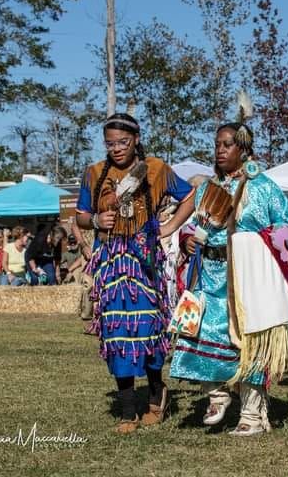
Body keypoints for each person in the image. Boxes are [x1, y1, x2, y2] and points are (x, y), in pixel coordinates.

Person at [170, 110, 288, 437]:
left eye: (227, 145)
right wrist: (187, 240)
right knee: (203, 332)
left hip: (248, 277)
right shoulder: (206, 189)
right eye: (217, 144)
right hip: (209, 275)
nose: (220, 150)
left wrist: (258, 243)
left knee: (250, 341)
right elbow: (193, 227)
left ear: (244, 149)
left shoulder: (263, 187)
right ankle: (216, 394)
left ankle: (252, 414)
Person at [76, 112, 195, 434]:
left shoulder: (156, 169)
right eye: (110, 144)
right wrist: (97, 221)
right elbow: (81, 216)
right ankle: (128, 410)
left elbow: (189, 196)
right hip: (112, 263)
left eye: (123, 142)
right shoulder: (94, 173)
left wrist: (169, 226)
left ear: (137, 139)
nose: (116, 149)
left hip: (145, 261)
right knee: (116, 333)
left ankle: (156, 394)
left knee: (148, 329)